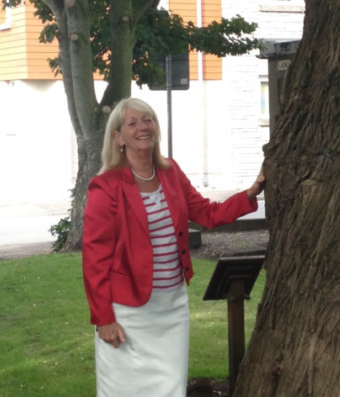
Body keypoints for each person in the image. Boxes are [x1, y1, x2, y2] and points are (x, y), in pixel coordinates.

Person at [82, 97, 265, 396]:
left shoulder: (170, 172)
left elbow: (207, 213)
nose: (143, 127)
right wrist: (104, 320)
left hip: (172, 307)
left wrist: (252, 192)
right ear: (118, 137)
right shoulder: (105, 187)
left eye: (148, 119)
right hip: (128, 312)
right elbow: (94, 261)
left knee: (171, 388)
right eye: (133, 123)